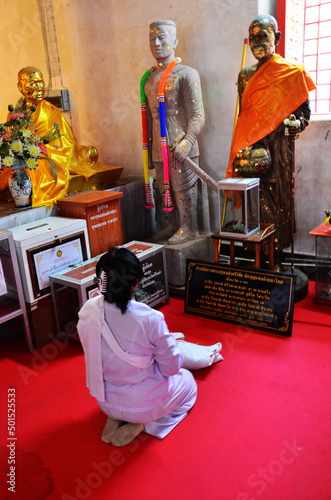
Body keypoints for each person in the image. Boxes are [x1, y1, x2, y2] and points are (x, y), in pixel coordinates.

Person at [77, 247, 222, 447]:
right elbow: (170, 368)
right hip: (143, 406)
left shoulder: (87, 310)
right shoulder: (149, 318)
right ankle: (144, 424)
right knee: (188, 383)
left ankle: (116, 417)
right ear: (135, 283)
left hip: (104, 401)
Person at [226, 14, 316, 266]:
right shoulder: (245, 76)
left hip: (279, 153)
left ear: (276, 38)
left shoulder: (292, 72)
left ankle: (277, 259)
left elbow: (303, 115)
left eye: (262, 37)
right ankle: (257, 259)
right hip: (252, 152)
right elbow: (245, 117)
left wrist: (295, 125)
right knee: (254, 207)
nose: (256, 43)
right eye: (252, 37)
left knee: (279, 207)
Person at [0, 66, 107, 207]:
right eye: (33, 83)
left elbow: (63, 140)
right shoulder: (15, 114)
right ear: (21, 86)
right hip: (31, 157)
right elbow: (11, 142)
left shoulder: (50, 110)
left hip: (52, 153)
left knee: (91, 152)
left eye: (41, 82)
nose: (39, 87)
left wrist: (40, 149)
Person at [144, 20, 209, 244]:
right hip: (158, 145)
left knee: (182, 187)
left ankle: (188, 227)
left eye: (162, 37)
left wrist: (188, 141)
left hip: (179, 142)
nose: (157, 43)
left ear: (175, 41)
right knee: (164, 188)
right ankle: (173, 224)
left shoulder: (187, 74)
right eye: (152, 39)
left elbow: (198, 113)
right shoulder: (149, 79)